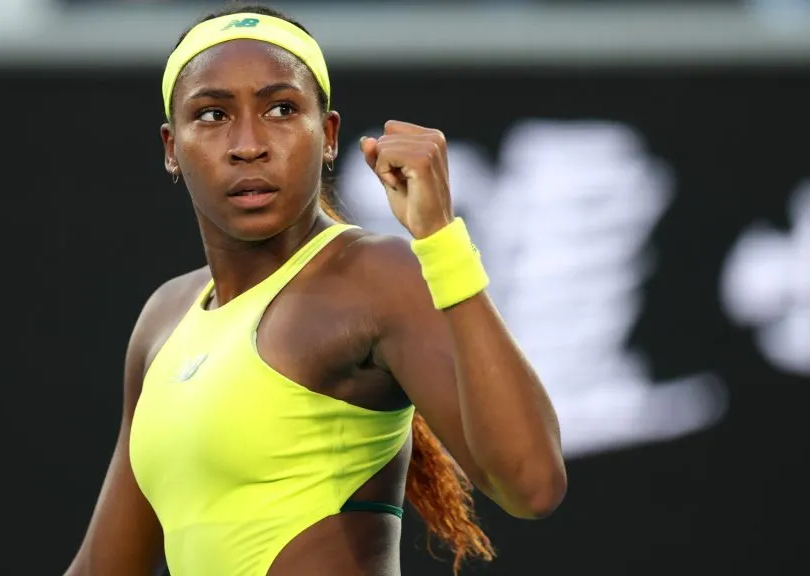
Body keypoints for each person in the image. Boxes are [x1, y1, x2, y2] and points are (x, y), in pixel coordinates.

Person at [64, 3, 567, 575]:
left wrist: (440, 239)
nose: (248, 144)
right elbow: (103, 567)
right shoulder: (165, 317)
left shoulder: (376, 276)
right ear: (171, 147)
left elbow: (532, 484)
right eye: (212, 114)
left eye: (281, 109)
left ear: (328, 136)